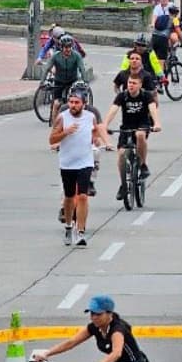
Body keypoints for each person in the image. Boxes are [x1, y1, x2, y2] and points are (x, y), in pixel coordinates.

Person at [50, 88, 110, 247]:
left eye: (77, 102)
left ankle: (80, 232)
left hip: (85, 162)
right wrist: (65, 132)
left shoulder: (90, 117)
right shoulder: (62, 118)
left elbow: (95, 130)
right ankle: (69, 227)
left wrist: (97, 140)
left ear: (84, 104)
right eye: (71, 102)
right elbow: (52, 139)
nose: (73, 105)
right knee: (69, 197)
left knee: (83, 196)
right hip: (67, 163)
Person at [103, 73, 161, 197]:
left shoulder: (146, 95)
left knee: (140, 135)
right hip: (126, 127)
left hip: (142, 125)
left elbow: (153, 109)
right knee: (121, 154)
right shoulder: (122, 96)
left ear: (140, 85)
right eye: (129, 83)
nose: (131, 85)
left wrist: (156, 123)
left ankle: (143, 165)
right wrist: (105, 124)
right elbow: (113, 110)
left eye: (134, 83)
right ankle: (123, 184)